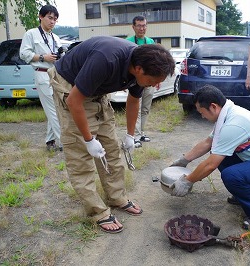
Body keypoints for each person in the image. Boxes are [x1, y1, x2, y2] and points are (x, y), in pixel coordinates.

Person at [48, 36, 175, 233]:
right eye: (152, 81)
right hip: (70, 86)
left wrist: (131, 135)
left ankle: (117, 197)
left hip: (96, 90)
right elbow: (74, 101)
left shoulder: (143, 63)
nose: (152, 85)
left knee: (111, 148)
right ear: (139, 70)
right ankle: (97, 211)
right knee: (80, 154)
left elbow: (133, 101)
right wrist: (89, 140)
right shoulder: (106, 59)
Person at [170, 85, 250, 229]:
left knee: (230, 175)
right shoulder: (227, 115)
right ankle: (243, 193)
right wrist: (184, 160)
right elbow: (208, 142)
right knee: (222, 156)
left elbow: (211, 165)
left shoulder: (234, 124)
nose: (202, 116)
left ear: (213, 107)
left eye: (202, 112)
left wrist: (187, 181)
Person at [20, 4, 63, 151]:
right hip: (42, 73)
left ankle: (50, 140)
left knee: (56, 107)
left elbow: (59, 55)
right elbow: (24, 54)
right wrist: (43, 57)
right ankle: (64, 142)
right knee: (54, 110)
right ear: (41, 17)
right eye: (50, 18)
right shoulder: (31, 34)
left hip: (56, 74)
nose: (52, 22)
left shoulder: (55, 37)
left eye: (55, 19)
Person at [126, 15, 157, 148]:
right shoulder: (128, 42)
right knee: (136, 108)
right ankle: (135, 136)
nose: (142, 28)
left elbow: (155, 62)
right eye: (139, 25)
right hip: (135, 81)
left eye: (144, 25)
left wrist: (157, 79)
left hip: (149, 81)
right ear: (133, 27)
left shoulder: (150, 41)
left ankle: (142, 132)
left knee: (145, 108)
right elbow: (126, 63)